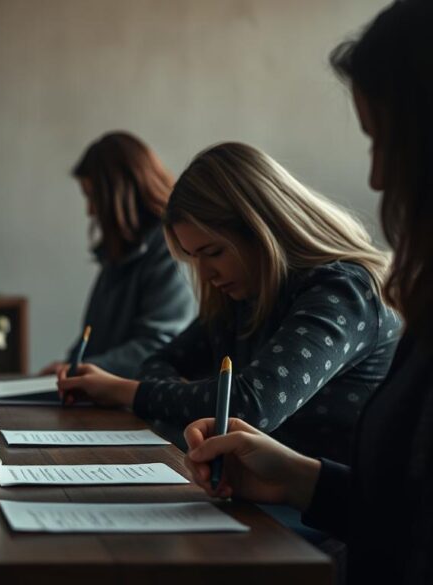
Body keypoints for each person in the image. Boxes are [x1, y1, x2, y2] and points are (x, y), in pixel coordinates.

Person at [184, 1, 433, 583]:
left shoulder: (341, 291)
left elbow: (250, 402)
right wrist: (297, 476)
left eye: (385, 142)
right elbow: (405, 511)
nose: (375, 176)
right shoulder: (423, 301)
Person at [58, 141, 399, 463]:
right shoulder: (243, 294)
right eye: (194, 258)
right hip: (251, 497)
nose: (205, 275)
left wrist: (124, 391)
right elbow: (159, 362)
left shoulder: (345, 292)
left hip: (322, 516)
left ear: (264, 230)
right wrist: (183, 395)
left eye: (214, 252)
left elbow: (250, 406)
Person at [39, 132, 196, 379]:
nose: (90, 211)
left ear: (121, 193)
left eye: (93, 197)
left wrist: (78, 370)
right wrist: (69, 364)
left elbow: (157, 345)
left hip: (138, 408)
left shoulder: (170, 247)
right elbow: (95, 338)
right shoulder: (120, 252)